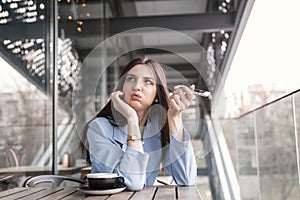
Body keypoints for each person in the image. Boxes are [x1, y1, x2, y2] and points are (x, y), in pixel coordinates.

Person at [85, 57, 197, 191]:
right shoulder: (100, 128)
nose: (137, 87)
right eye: (131, 79)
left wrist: (174, 119)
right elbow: (131, 183)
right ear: (122, 88)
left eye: (148, 82)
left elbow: (186, 178)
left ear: (156, 94)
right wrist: (132, 119)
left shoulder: (157, 130)